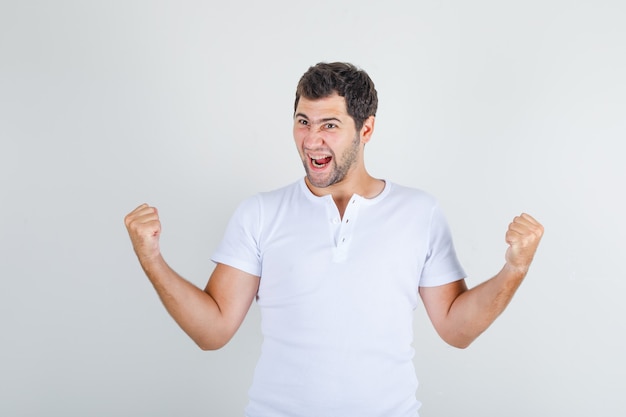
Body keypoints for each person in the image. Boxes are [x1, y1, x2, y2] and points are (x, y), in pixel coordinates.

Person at [124, 62, 544, 417]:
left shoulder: (420, 213)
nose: (311, 140)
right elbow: (212, 332)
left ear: (366, 130)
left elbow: (456, 329)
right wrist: (152, 260)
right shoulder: (261, 213)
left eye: (329, 125)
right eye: (303, 122)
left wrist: (514, 269)